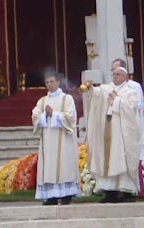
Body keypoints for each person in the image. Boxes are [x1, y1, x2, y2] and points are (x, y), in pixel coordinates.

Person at [83, 66, 141, 203]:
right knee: (107, 158)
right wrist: (90, 88)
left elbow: (131, 108)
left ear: (125, 77)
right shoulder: (106, 88)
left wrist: (117, 100)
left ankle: (124, 191)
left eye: (118, 74)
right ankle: (109, 191)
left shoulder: (130, 91)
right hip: (107, 128)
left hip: (122, 131)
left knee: (120, 157)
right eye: (113, 74)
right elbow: (95, 96)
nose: (114, 76)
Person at [32, 72, 80, 205]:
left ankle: (66, 195)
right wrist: (44, 116)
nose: (49, 84)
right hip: (48, 141)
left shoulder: (67, 99)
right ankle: (52, 196)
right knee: (49, 167)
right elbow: (35, 116)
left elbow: (70, 117)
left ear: (58, 82)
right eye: (47, 82)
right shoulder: (42, 101)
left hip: (63, 140)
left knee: (64, 165)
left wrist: (54, 114)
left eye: (52, 81)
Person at [111, 58, 144, 198]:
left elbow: (135, 106)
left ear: (125, 72)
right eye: (112, 71)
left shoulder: (134, 87)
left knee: (130, 156)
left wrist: (117, 100)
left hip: (130, 126)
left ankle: (132, 190)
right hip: (115, 128)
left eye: (117, 71)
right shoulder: (111, 87)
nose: (114, 74)